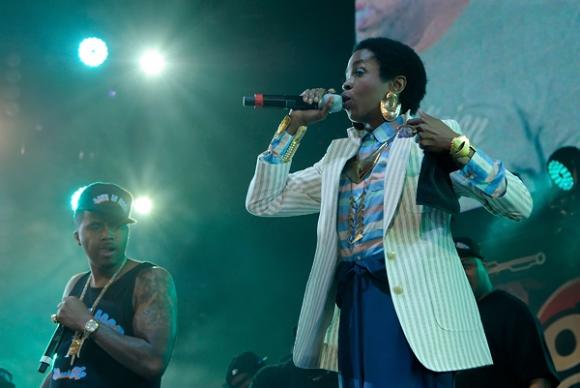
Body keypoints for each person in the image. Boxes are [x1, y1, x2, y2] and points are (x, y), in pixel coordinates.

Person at [246, 37, 533, 387]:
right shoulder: (337, 158)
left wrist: (458, 148)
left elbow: (519, 204)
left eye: (359, 72)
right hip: (352, 310)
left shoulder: (427, 140)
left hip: (412, 313)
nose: (346, 83)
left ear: (395, 85)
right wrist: (293, 128)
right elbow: (263, 201)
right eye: (345, 76)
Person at [42, 182, 177, 388]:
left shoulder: (149, 279)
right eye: (96, 226)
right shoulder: (76, 283)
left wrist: (87, 323)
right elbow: (64, 364)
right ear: (77, 236)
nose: (108, 234)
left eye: (117, 225)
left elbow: (153, 362)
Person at [454, 237, 560, 388]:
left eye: (466, 266)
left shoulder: (510, 310)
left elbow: (539, 378)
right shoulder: (452, 320)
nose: (460, 274)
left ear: (486, 267)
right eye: (454, 269)